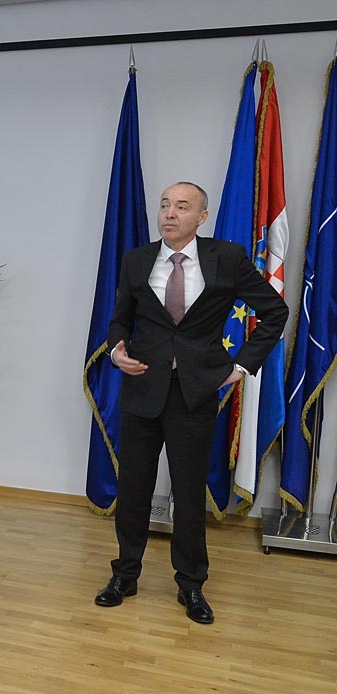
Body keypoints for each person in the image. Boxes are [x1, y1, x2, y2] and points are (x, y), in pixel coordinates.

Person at [96, 182, 288, 624]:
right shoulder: (136, 259)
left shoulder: (227, 257)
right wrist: (116, 350)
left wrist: (242, 366)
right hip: (142, 389)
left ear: (201, 217)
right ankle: (124, 575)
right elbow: (120, 320)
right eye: (165, 205)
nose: (169, 213)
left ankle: (191, 585)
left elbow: (275, 312)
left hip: (194, 393)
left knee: (188, 491)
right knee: (133, 489)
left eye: (182, 207)